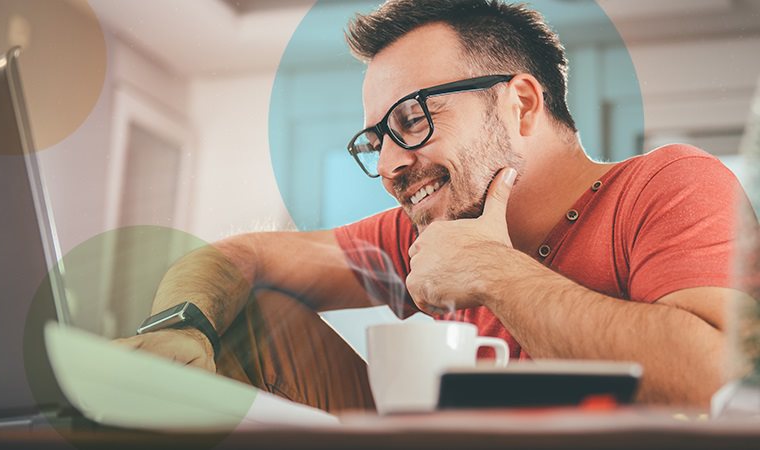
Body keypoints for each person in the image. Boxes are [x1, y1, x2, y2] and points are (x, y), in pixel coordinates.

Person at [119, 0, 755, 410]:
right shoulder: (431, 228)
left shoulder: (668, 185)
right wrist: (178, 325)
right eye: (377, 141)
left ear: (523, 104)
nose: (391, 164)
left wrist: (491, 270)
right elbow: (245, 256)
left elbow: (716, 377)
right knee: (242, 316)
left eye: (414, 117)